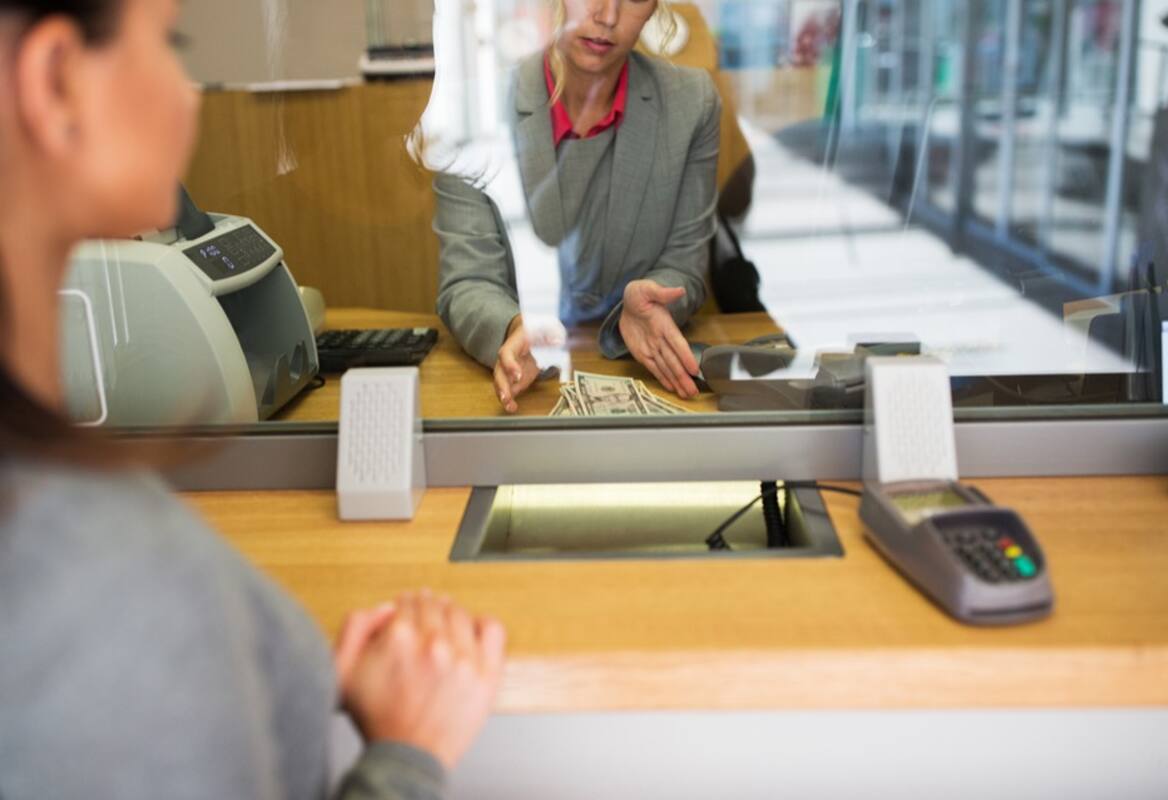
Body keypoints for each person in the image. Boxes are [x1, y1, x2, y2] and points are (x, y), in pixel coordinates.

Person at [0, 2, 505, 798]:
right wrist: (404, 758)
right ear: (57, 80)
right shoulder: (100, 594)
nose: (193, 91)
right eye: (169, 44)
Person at [434, 0, 721, 412]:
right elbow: (468, 280)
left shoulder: (693, 103)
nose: (607, 15)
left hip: (632, 371)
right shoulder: (471, 112)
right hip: (528, 386)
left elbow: (685, 265)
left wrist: (653, 302)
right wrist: (516, 327)